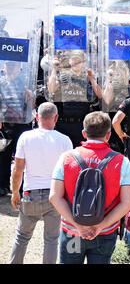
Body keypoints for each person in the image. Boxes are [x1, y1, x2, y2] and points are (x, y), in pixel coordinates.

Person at [50, 111, 130, 264]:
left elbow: (54, 196)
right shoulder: (122, 162)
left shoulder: (66, 158)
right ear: (108, 134)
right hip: (105, 232)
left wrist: (78, 225)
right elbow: (127, 202)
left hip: (73, 232)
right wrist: (101, 226)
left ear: (83, 133)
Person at [9, 103, 72, 264]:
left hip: (31, 193)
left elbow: (18, 169)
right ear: (56, 118)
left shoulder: (26, 137)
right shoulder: (65, 141)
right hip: (54, 196)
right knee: (51, 240)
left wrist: (15, 191)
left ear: (37, 117)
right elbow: (69, 173)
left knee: (21, 237)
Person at [47, 50, 102, 147]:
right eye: (74, 59)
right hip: (63, 124)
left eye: (79, 60)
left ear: (83, 62)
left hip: (81, 124)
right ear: (70, 61)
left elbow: (100, 95)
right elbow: (51, 89)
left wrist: (92, 79)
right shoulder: (62, 74)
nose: (76, 62)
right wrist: (54, 70)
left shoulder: (88, 76)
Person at [0, 61, 34, 197]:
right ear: (4, 67)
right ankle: (2, 185)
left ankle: (21, 187)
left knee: (21, 157)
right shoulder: (1, 82)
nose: (11, 69)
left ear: (19, 68)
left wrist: (30, 97)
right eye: (8, 66)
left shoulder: (25, 83)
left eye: (13, 66)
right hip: (5, 124)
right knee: (3, 156)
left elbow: (31, 105)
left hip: (22, 125)